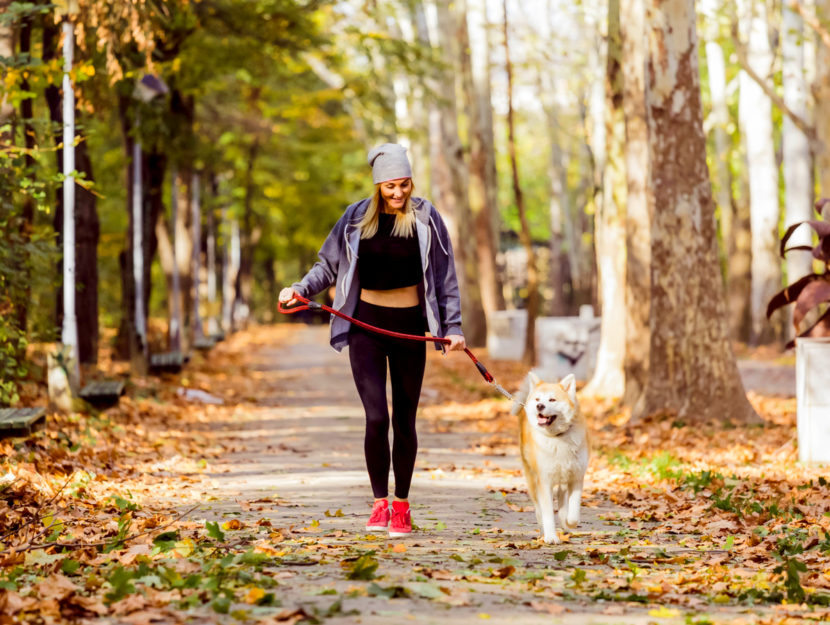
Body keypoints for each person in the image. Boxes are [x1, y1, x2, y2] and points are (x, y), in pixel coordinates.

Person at [279, 143, 466, 537]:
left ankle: (402, 506)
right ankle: (380, 504)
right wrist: (299, 289)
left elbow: (446, 277)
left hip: (410, 327)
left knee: (405, 419)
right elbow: (326, 267)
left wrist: (454, 328)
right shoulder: (354, 218)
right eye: (389, 187)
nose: (397, 193)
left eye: (403, 185)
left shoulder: (426, 218)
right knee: (376, 417)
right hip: (365, 325)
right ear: (377, 185)